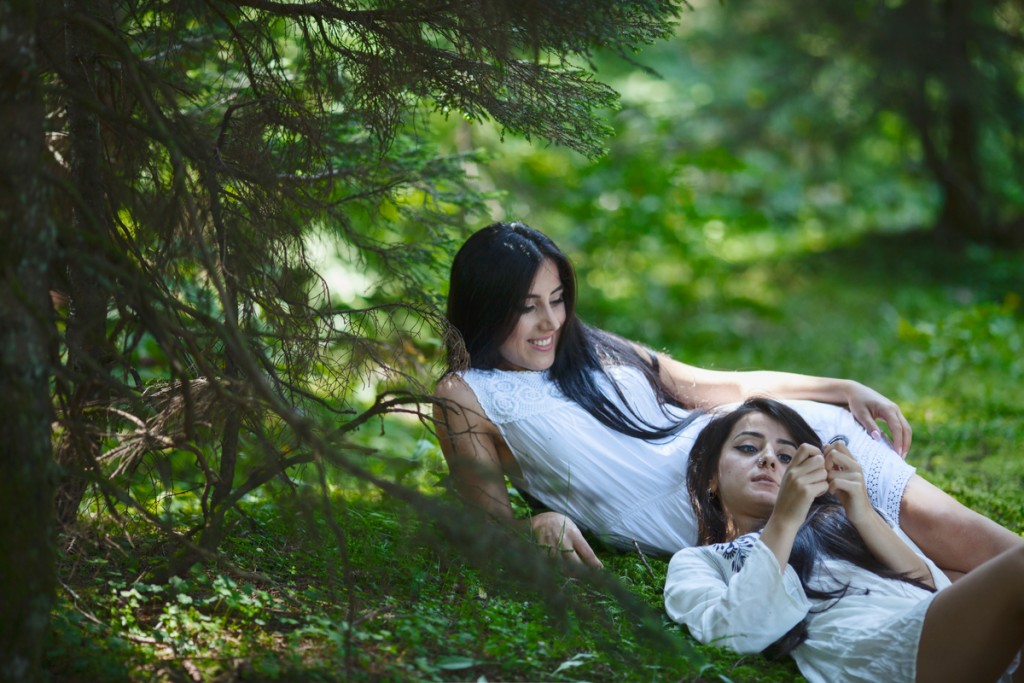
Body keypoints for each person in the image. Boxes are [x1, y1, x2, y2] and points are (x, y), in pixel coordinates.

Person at [434, 221, 1021, 574]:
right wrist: (540, 524)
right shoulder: (466, 396)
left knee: (998, 558)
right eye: (526, 305)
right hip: (733, 511)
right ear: (486, 306)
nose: (549, 322)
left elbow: (726, 388)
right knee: (949, 592)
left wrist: (841, 389)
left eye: (557, 298)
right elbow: (488, 532)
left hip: (768, 450)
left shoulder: (590, 348)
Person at [663, 398, 1022, 683]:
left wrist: (862, 511)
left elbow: (929, 588)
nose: (769, 459)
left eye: (787, 456)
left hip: (947, 638)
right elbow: (734, 633)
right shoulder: (701, 560)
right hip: (880, 652)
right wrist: (784, 519)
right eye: (747, 448)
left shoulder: (842, 521)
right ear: (710, 476)